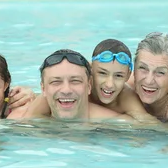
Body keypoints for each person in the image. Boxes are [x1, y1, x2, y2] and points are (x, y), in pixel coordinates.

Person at [16, 40, 157, 123]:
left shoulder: (126, 97)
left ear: (128, 76)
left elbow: (147, 124)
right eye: (102, 73)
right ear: (90, 71)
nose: (109, 84)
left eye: (118, 76)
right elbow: (29, 120)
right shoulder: (77, 85)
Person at [8, 49, 128, 122]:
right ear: (43, 88)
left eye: (75, 81)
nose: (66, 90)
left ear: (89, 86)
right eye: (56, 82)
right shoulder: (19, 121)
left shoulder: (117, 124)